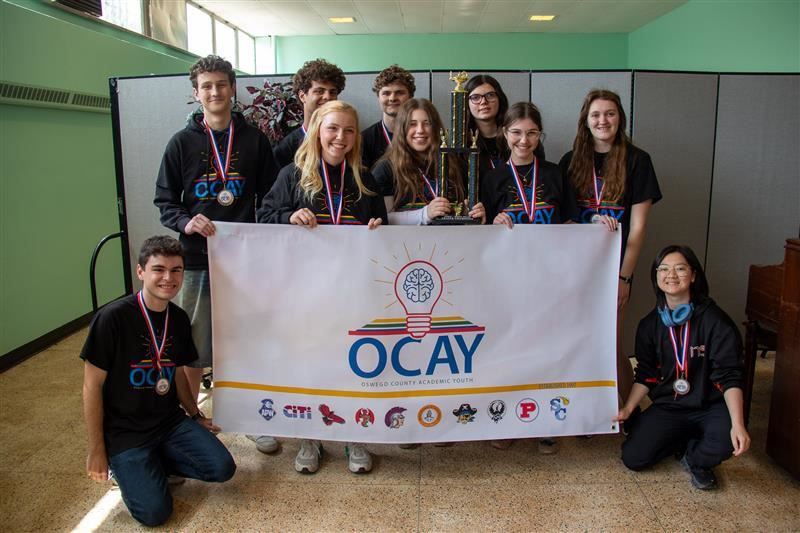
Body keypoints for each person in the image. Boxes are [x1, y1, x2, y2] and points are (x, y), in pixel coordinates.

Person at [154, 55, 280, 454]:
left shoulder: (254, 140)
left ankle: (251, 419)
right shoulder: (181, 143)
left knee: (245, 341)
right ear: (196, 93)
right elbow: (165, 200)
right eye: (206, 86)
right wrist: (186, 221)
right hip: (195, 259)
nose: (214, 92)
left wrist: (262, 237)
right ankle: (189, 420)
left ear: (232, 89)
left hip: (244, 260)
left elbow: (271, 195)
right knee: (194, 346)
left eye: (221, 85)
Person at [257, 101, 385, 474]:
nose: (340, 137)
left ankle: (354, 436)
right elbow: (263, 218)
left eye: (348, 131)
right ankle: (309, 437)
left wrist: (378, 228)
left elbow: (383, 226)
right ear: (317, 130)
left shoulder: (363, 177)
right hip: (304, 294)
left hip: (352, 292)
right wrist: (287, 215)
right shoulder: (291, 175)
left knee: (352, 365)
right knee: (309, 365)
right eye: (332, 129)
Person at [82, 236, 236, 527]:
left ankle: (152, 464)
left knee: (222, 467)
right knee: (155, 514)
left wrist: (194, 414)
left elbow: (177, 372)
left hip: (168, 423)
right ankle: (125, 467)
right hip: (125, 432)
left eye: (176, 270)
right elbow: (91, 387)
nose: (168, 278)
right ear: (141, 272)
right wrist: (97, 449)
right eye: (159, 269)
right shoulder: (112, 318)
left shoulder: (177, 318)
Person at [615, 245, 751, 489]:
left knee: (725, 442)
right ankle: (679, 437)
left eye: (680, 268)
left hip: (710, 405)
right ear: (656, 277)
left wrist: (739, 424)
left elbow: (730, 377)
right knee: (634, 458)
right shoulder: (649, 325)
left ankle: (695, 458)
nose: (671, 275)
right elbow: (646, 375)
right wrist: (628, 408)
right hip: (670, 406)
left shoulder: (716, 321)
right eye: (663, 269)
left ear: (694, 275)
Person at [559, 89, 662, 401]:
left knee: (611, 341)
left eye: (610, 113)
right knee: (576, 340)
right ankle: (586, 410)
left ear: (620, 118)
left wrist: (623, 277)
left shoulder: (638, 160)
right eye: (596, 115)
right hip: (574, 267)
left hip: (613, 268)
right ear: (585, 121)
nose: (603, 120)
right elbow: (561, 217)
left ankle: (629, 412)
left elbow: (639, 226)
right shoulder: (570, 160)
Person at [372, 98, 486, 225]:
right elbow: (384, 218)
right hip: (409, 244)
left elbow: (464, 215)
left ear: (436, 128)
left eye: (427, 123)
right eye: (412, 124)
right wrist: (425, 214)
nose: (420, 130)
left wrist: (470, 214)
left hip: (452, 241)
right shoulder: (386, 169)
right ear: (402, 129)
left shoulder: (456, 164)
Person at [485, 102, 577, 227]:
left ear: (539, 135)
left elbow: (571, 224)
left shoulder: (556, 173)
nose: (524, 140)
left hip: (552, 247)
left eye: (531, 133)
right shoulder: (492, 179)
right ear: (505, 133)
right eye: (516, 132)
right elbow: (484, 230)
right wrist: (494, 224)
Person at [273, 58, 346, 170]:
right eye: (319, 91)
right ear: (302, 96)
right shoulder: (286, 149)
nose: (327, 97)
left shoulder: (344, 142)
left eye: (333, 92)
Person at [361, 65, 415, 171]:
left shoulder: (421, 136)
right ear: (378, 97)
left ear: (410, 97)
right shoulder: (364, 140)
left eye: (399, 93)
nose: (392, 98)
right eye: (386, 93)